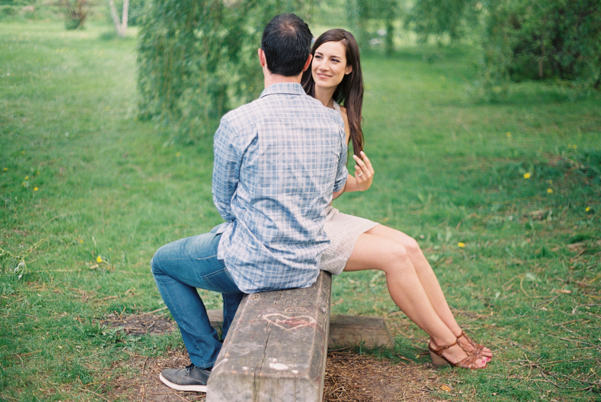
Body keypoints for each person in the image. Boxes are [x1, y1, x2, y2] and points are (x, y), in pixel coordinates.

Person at [151, 14, 348, 392]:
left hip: (255, 263)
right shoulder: (332, 122)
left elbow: (223, 200)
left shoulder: (239, 121)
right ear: (307, 62)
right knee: (230, 246)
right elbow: (336, 184)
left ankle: (206, 364)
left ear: (261, 57)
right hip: (305, 262)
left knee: (164, 263)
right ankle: (228, 348)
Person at [301, 29, 493, 369]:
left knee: (410, 246)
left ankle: (454, 332)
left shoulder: (342, 116)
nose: (323, 66)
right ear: (309, 60)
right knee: (395, 257)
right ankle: (444, 343)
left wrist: (357, 185)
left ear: (348, 69)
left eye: (334, 60)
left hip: (325, 214)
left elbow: (324, 185)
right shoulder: (297, 110)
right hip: (305, 229)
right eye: (319, 57)